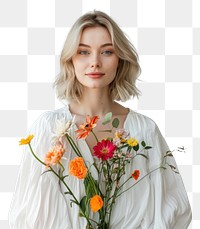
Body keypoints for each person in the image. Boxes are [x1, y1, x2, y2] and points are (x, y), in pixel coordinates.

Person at [9, 10, 192, 229]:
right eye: (84, 52)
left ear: (120, 59)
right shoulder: (48, 128)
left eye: (106, 51)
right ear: (71, 60)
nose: (95, 62)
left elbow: (171, 211)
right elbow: (28, 216)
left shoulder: (144, 130)